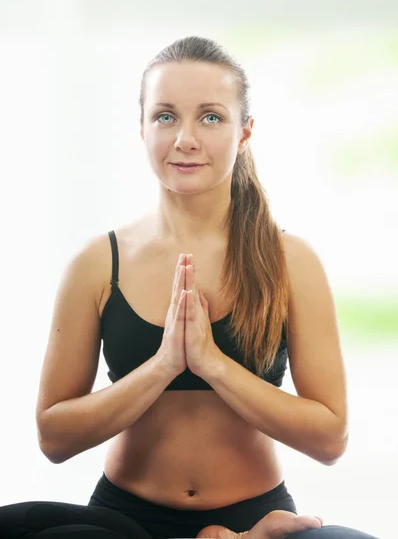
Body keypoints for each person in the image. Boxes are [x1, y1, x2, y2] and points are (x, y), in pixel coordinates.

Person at [0, 36, 379, 539]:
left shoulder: (291, 261)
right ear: (141, 128)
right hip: (124, 520)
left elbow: (330, 438)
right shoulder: (97, 264)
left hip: (255, 517)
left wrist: (213, 365)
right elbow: (54, 436)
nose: (185, 138)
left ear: (245, 131)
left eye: (210, 117)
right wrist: (163, 366)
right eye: (164, 116)